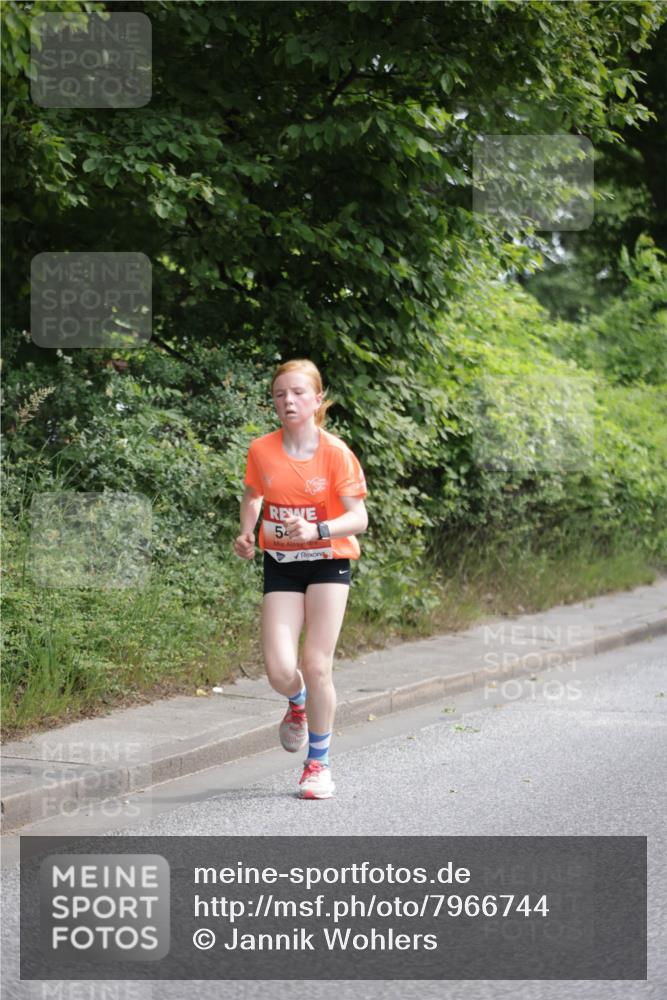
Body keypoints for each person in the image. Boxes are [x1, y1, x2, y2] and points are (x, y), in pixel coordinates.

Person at [234, 359, 368, 799]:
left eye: (297, 393)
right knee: (278, 669)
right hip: (283, 564)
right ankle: (296, 703)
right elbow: (253, 495)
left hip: (329, 560)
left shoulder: (336, 452)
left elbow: (359, 517)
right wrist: (246, 531)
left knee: (316, 664)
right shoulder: (261, 450)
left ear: (316, 400)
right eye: (279, 394)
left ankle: (318, 765)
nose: (287, 401)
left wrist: (319, 528)